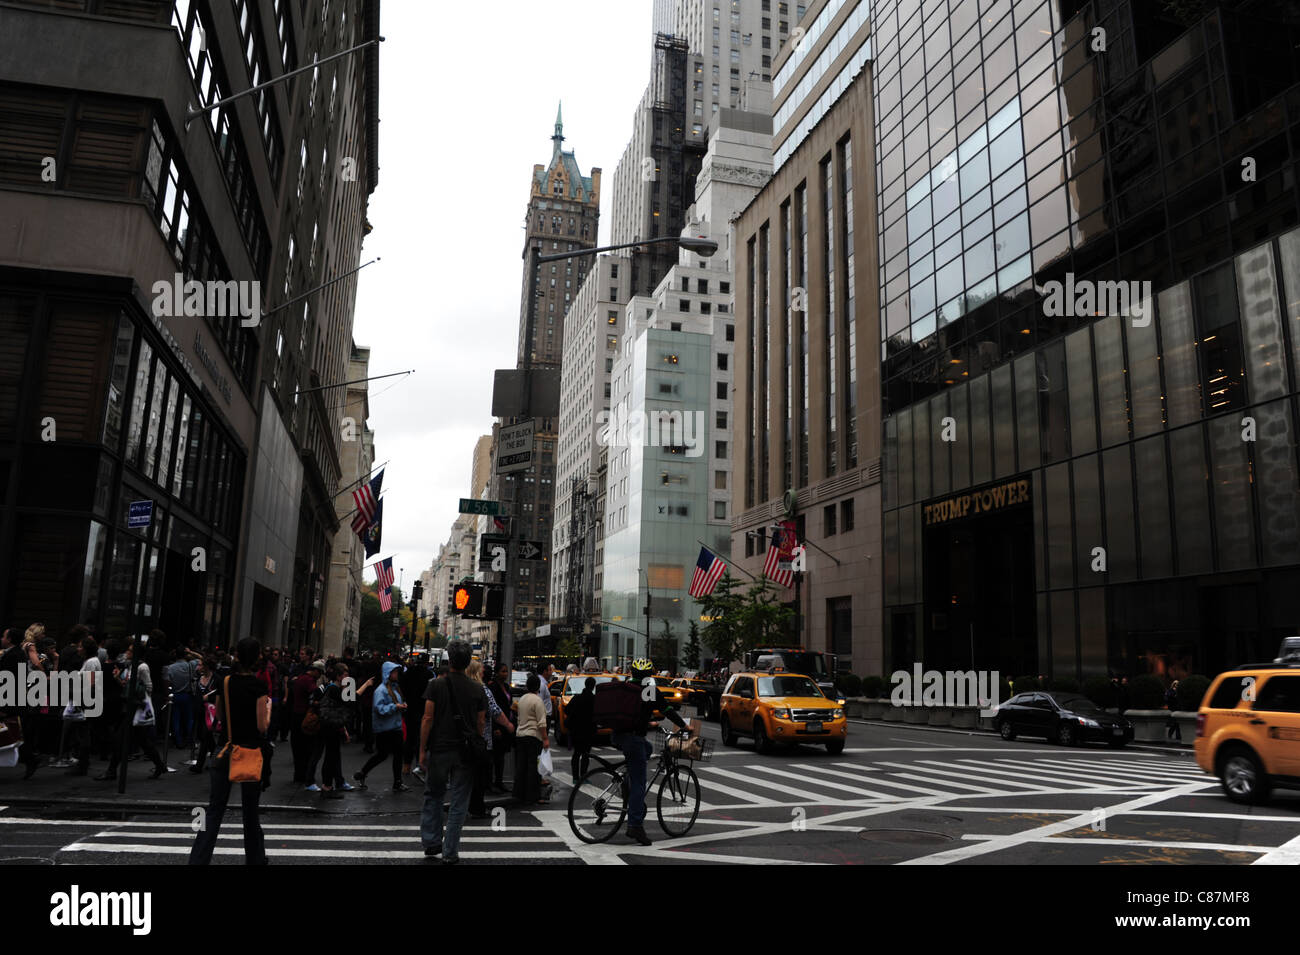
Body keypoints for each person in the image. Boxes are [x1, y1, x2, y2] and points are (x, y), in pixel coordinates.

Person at [188, 637, 270, 865]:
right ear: (256, 658)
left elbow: (221, 718)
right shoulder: (258, 686)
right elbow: (262, 726)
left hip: (226, 749)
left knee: (214, 810)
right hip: (250, 751)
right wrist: (268, 712)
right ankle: (255, 859)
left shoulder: (225, 682)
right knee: (250, 813)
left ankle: (198, 859)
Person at [417, 640, 485, 864]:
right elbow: (480, 724)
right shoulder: (477, 689)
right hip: (465, 753)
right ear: (468, 662)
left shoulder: (436, 685)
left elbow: (427, 718)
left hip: (439, 749)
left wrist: (421, 750)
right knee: (459, 802)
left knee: (433, 796)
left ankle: (431, 842)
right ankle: (450, 851)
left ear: (449, 658)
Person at [612, 658, 685, 846]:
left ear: (632, 672)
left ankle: (627, 783)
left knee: (649, 748)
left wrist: (648, 723)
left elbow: (636, 713)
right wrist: (684, 726)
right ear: (649, 675)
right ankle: (635, 826)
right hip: (633, 739)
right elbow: (667, 709)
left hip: (618, 736)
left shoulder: (626, 687)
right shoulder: (647, 689)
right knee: (639, 783)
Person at [98, 636, 168, 781]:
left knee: (120, 739)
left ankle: (112, 771)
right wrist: (118, 678)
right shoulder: (130, 666)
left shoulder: (142, 667)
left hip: (136, 708)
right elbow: (127, 686)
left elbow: (148, 687)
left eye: (130, 651)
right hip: (130, 707)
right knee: (142, 741)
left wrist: (139, 698)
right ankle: (160, 765)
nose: (127, 653)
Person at [466, 659, 513, 818]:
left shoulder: (463, 687)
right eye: (480, 670)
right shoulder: (483, 690)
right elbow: (494, 710)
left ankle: (467, 805)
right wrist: (508, 725)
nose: (483, 672)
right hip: (481, 740)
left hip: (464, 738)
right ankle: (477, 808)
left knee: (467, 776)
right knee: (480, 776)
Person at [355, 661, 409, 792]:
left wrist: (401, 706)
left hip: (394, 727)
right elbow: (379, 709)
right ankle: (363, 772)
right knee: (383, 755)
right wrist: (395, 706)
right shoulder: (381, 690)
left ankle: (397, 782)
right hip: (385, 729)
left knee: (395, 754)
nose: (397, 674)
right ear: (388, 674)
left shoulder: (395, 688)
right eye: (394, 672)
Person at [314, 663, 353, 797]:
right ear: (338, 676)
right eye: (345, 675)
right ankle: (327, 787)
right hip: (330, 728)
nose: (347, 678)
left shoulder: (333, 688)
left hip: (330, 726)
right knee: (331, 757)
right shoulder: (335, 690)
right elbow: (349, 703)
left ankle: (329, 786)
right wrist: (363, 687)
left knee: (332, 756)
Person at [66, 634, 102, 777]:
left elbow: (91, 684)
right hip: (87, 699)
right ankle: (83, 762)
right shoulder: (90, 661)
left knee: (83, 732)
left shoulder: (91, 662)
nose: (78, 649)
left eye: (81, 647)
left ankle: (83, 764)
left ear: (86, 649)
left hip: (86, 701)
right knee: (82, 731)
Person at [512, 673, 548, 807]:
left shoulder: (522, 699)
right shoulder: (537, 700)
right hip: (533, 736)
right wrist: (545, 739)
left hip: (520, 735)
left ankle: (519, 794)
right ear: (538, 687)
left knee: (521, 766)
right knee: (533, 768)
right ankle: (532, 796)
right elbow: (541, 723)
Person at [291, 659, 322, 784]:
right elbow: (315, 692)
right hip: (303, 715)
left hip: (295, 714)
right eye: (320, 673)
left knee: (297, 747)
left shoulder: (300, 678)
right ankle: (303, 775)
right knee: (306, 747)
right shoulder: (308, 680)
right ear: (315, 671)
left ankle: (298, 774)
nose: (320, 676)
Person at [400, 656, 432, 776]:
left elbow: (402, 687)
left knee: (410, 737)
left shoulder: (408, 673)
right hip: (422, 708)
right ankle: (420, 765)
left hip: (410, 708)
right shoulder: (428, 675)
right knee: (421, 738)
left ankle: (406, 766)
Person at [486, 662, 513, 793]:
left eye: (506, 671)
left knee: (501, 756)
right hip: (496, 725)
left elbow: (508, 704)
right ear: (496, 673)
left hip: (506, 722)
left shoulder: (507, 687)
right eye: (503, 671)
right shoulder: (493, 687)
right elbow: (492, 708)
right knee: (494, 756)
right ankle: (490, 783)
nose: (505, 674)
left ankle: (499, 781)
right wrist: (496, 727)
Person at [190, 656, 220, 773]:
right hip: (200, 711)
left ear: (207, 666)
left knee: (205, 736)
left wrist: (209, 697)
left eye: (201, 665)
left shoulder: (216, 679)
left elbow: (219, 694)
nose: (198, 667)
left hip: (211, 711)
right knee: (204, 736)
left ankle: (199, 765)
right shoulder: (198, 678)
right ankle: (216, 756)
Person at [166, 647, 199, 750]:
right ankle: (189, 739)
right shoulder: (190, 665)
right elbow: (201, 658)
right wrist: (191, 651)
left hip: (175, 695)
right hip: (187, 694)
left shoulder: (170, 668)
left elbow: (167, 682)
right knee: (189, 719)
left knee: (176, 719)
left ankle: (178, 741)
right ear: (185, 655)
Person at [566, 676, 597, 783]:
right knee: (586, 754)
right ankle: (583, 776)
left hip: (576, 730)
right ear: (593, 687)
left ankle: (575, 778)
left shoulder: (576, 698)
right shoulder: (594, 700)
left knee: (576, 754)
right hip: (589, 731)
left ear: (585, 685)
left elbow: (567, 710)